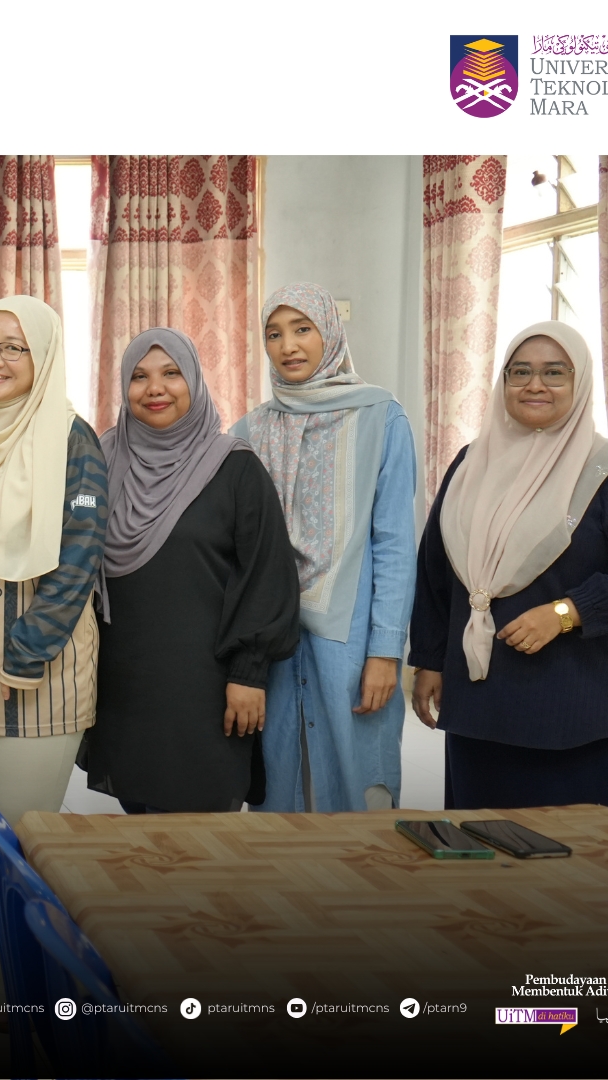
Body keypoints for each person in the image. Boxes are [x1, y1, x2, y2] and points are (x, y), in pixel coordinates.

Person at [409, 321, 608, 812]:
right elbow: (435, 572)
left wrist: (565, 613)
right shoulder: (470, 464)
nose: (535, 385)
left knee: (578, 849)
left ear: (580, 383)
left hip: (571, 706)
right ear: (503, 382)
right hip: (478, 701)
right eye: (520, 372)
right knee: (482, 841)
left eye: (554, 372)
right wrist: (429, 659)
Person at [0, 296, 107, 1024]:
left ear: (43, 360)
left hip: (36, 672)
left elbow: (80, 554)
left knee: (20, 837)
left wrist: (30, 650)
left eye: (15, 348)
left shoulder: (70, 437)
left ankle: (21, 980)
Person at [86, 328, 300, 814]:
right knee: (141, 826)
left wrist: (249, 674)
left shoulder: (235, 469)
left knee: (197, 835)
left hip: (205, 690)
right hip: (123, 686)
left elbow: (268, 575)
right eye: (139, 376)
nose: (154, 389)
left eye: (171, 373)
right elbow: (77, 539)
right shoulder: (101, 460)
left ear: (195, 381)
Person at [233, 284, 417, 812]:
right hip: (272, 645)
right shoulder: (249, 431)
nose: (288, 345)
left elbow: (395, 545)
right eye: (274, 334)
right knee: (278, 794)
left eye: (302, 329)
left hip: (350, 646)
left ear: (330, 334)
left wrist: (385, 653)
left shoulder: (382, 417)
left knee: (357, 795)